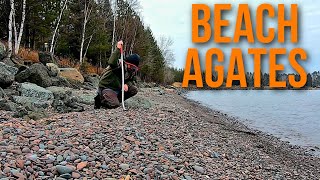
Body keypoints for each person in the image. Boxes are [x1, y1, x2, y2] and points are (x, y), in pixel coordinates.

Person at [94, 41, 140, 109]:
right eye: (131, 66)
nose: (132, 69)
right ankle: (100, 100)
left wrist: (127, 84)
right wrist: (118, 49)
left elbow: (131, 80)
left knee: (134, 90)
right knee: (114, 104)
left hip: (118, 88)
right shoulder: (118, 65)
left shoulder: (132, 72)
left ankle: (115, 100)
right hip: (107, 87)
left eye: (134, 68)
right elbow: (111, 62)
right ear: (127, 63)